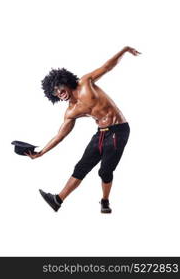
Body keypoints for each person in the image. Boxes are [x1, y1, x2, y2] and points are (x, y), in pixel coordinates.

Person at [27, 46, 140, 213]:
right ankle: (57, 200)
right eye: (55, 93)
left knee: (105, 171)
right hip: (101, 134)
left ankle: (105, 201)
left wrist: (124, 51)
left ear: (65, 81)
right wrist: (41, 152)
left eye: (59, 88)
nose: (59, 93)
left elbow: (107, 67)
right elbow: (60, 136)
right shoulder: (71, 111)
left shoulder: (86, 82)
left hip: (119, 130)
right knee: (81, 167)